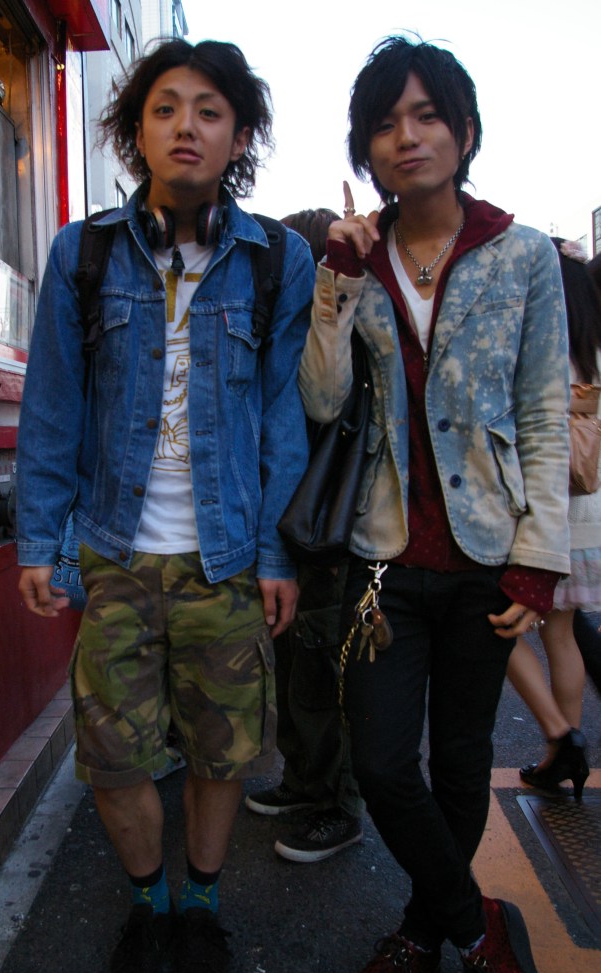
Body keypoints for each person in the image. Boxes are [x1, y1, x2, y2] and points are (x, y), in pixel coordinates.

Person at [16, 38, 315, 973]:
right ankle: (147, 909)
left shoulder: (278, 261)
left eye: (210, 110)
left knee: (224, 748)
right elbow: (56, 403)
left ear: (239, 136)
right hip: (110, 552)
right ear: (135, 129)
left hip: (227, 556)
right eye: (166, 107)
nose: (187, 125)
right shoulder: (83, 251)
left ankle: (202, 909)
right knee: (112, 754)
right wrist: (39, 538)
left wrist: (275, 550)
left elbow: (280, 418)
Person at [298, 34, 570, 973]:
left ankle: (418, 936)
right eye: (383, 122)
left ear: (461, 130)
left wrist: (534, 575)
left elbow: (542, 411)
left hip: (485, 561)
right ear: (366, 147)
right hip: (383, 562)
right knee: (378, 764)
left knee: (459, 766)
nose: (404, 137)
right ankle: (474, 926)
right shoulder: (354, 259)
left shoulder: (519, 253)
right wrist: (336, 284)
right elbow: (322, 403)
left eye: (424, 116)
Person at [245, 208, 365, 863]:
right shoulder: (292, 324)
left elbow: (324, 406)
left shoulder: (336, 326)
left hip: (327, 523)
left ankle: (335, 805)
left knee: (321, 667)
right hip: (290, 522)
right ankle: (301, 781)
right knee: (291, 661)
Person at [508, 237, 601, 797]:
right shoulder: (594, 350)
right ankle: (562, 749)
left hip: (539, 516)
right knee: (560, 635)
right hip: (589, 521)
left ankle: (559, 735)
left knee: (494, 628)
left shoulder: (540, 344)